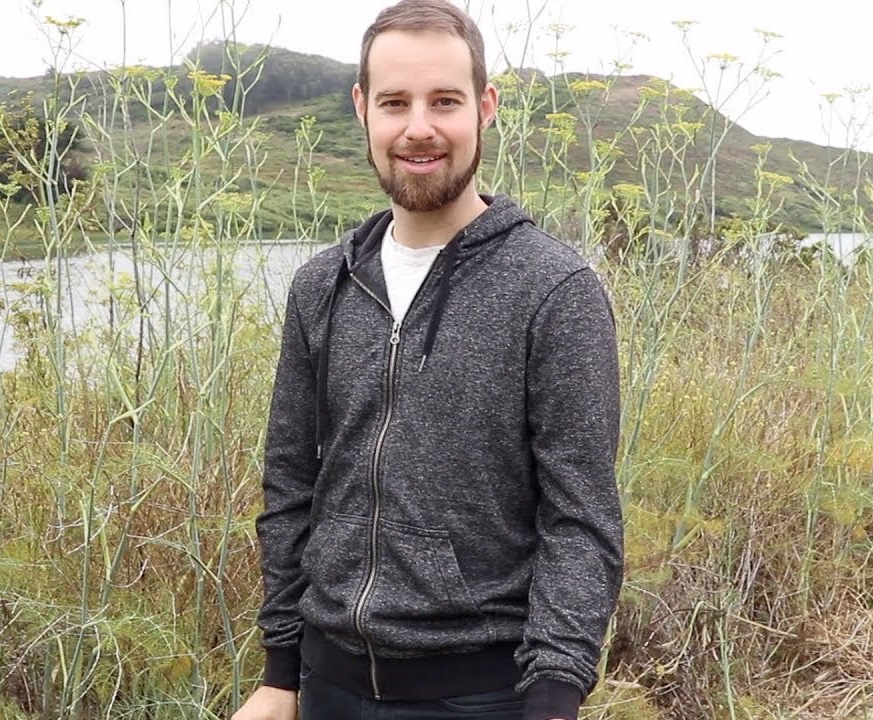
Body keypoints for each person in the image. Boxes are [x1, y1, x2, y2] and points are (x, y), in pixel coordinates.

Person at [232, 1, 623, 718]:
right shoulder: (322, 286)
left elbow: (581, 522)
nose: (419, 127)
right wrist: (279, 674)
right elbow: (290, 486)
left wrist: (554, 698)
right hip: (327, 687)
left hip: (484, 696)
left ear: (486, 107)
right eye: (394, 102)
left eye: (444, 101)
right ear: (362, 110)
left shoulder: (555, 291)